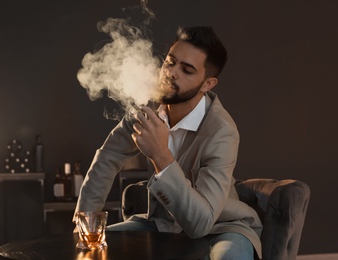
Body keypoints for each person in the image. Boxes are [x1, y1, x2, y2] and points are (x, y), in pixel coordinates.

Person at [75, 26, 262, 259]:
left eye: (187, 70)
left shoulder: (222, 132)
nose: (171, 72)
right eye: (170, 62)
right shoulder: (146, 109)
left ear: (207, 84)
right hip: (161, 224)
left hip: (220, 228)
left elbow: (201, 223)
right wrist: (86, 221)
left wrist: (160, 155)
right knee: (95, 247)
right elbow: (107, 158)